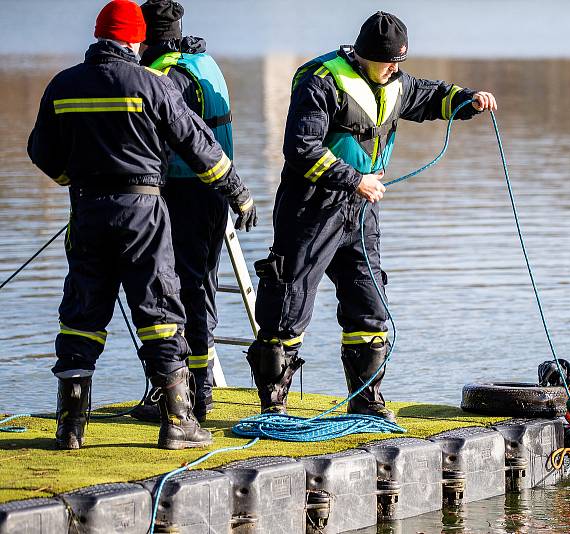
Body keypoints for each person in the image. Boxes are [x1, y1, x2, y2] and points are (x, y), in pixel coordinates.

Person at [27, 0, 257, 450]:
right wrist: (238, 194)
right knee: (159, 311)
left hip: (88, 210)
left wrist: (71, 180)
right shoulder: (151, 85)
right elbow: (199, 147)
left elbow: (40, 150)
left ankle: (70, 428)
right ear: (136, 39)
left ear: (97, 34)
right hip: (143, 213)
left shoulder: (63, 84)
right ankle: (178, 422)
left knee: (82, 314)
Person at [246, 11, 498, 421]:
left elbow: (433, 96)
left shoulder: (397, 82)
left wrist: (470, 100)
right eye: (388, 62)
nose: (395, 69)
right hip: (311, 207)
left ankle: (366, 402)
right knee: (288, 306)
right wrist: (354, 179)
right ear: (364, 56)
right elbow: (301, 148)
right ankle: (273, 408)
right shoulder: (321, 83)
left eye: (400, 61)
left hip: (360, 212)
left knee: (370, 305)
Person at [129, 0, 235, 423]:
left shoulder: (166, 76)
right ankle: (197, 389)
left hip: (182, 192)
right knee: (199, 287)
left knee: (176, 290)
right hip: (213, 191)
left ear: (146, 38)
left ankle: (189, 394)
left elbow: (156, 135)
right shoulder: (200, 60)